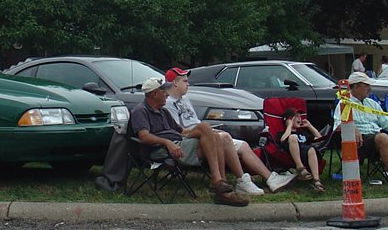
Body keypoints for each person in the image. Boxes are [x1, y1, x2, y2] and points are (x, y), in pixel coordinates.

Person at [163, 67, 296, 196]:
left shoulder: (184, 99)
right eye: (185, 81)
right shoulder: (168, 103)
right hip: (192, 141)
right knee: (225, 137)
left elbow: (195, 122)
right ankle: (241, 181)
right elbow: (180, 131)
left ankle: (269, 179)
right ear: (175, 82)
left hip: (204, 134)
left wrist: (209, 129)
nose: (188, 84)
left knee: (243, 145)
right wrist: (206, 131)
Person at [130, 76, 248, 206]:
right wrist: (167, 143)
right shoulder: (141, 111)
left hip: (179, 143)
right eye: (163, 91)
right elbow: (144, 136)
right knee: (204, 128)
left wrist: (207, 133)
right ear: (154, 94)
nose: (167, 94)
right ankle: (221, 187)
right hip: (162, 150)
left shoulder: (163, 112)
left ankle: (220, 183)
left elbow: (181, 132)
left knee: (213, 135)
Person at [279, 107, 326, 192]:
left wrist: (309, 126)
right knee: (293, 137)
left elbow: (320, 139)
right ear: (288, 119)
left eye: (300, 116)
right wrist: (289, 126)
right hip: (290, 155)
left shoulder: (302, 134)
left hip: (306, 155)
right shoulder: (283, 133)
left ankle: (316, 180)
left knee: (311, 149)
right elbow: (282, 140)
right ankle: (300, 168)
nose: (299, 118)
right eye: (296, 116)